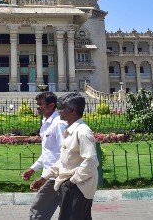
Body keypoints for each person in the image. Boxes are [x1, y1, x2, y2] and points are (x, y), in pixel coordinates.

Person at [31, 93, 99, 220]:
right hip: (70, 186)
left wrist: (72, 181)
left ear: (72, 110)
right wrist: (44, 177)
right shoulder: (69, 131)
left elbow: (91, 161)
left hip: (79, 188)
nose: (59, 111)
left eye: (62, 108)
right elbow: (63, 161)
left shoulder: (82, 132)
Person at [22, 91, 67, 220]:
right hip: (53, 174)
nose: (38, 107)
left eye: (40, 104)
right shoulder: (46, 122)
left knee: (37, 211)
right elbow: (48, 151)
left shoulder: (58, 124)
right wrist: (33, 168)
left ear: (52, 105)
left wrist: (43, 178)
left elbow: (64, 153)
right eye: (37, 104)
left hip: (57, 175)